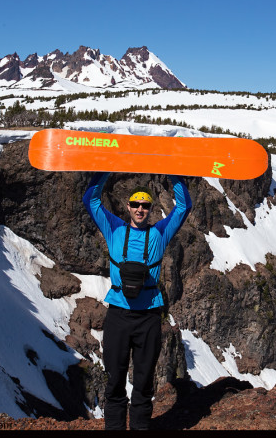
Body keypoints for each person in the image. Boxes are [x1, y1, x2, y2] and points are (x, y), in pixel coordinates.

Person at [83, 172, 192, 430]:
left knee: (143, 383)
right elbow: (91, 200)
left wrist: (173, 173)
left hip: (148, 317)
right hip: (119, 314)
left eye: (145, 205)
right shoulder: (114, 228)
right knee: (115, 380)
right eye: (135, 204)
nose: (140, 209)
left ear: (151, 208)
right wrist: (106, 169)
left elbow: (184, 206)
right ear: (128, 207)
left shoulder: (160, 233)